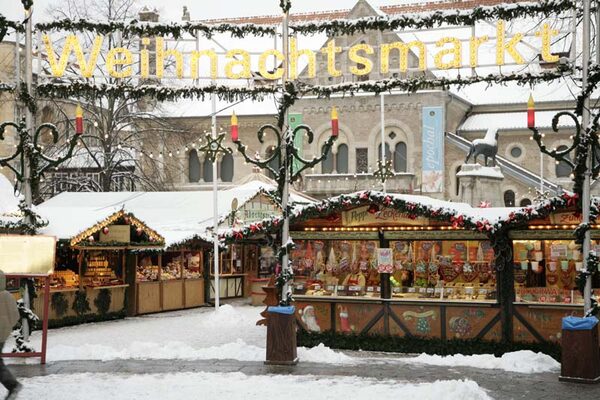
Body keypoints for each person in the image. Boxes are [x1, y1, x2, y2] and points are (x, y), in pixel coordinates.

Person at [0, 271, 21, 399]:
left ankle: (13, 385)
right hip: (2, 335)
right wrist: (7, 328)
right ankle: (13, 386)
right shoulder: (8, 296)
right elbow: (15, 316)